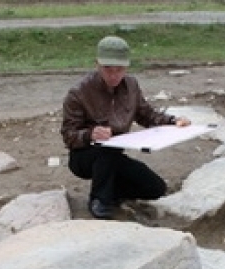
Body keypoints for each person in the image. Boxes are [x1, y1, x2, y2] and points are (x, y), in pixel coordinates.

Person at [61, 35, 191, 220]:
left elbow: (146, 114)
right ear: (97, 64)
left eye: (119, 69)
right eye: (107, 69)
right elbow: (68, 135)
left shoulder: (131, 85)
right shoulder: (79, 93)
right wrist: (90, 134)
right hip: (84, 156)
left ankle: (112, 191)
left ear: (127, 67)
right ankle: (99, 200)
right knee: (106, 151)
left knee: (155, 188)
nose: (113, 75)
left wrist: (173, 121)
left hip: (114, 156)